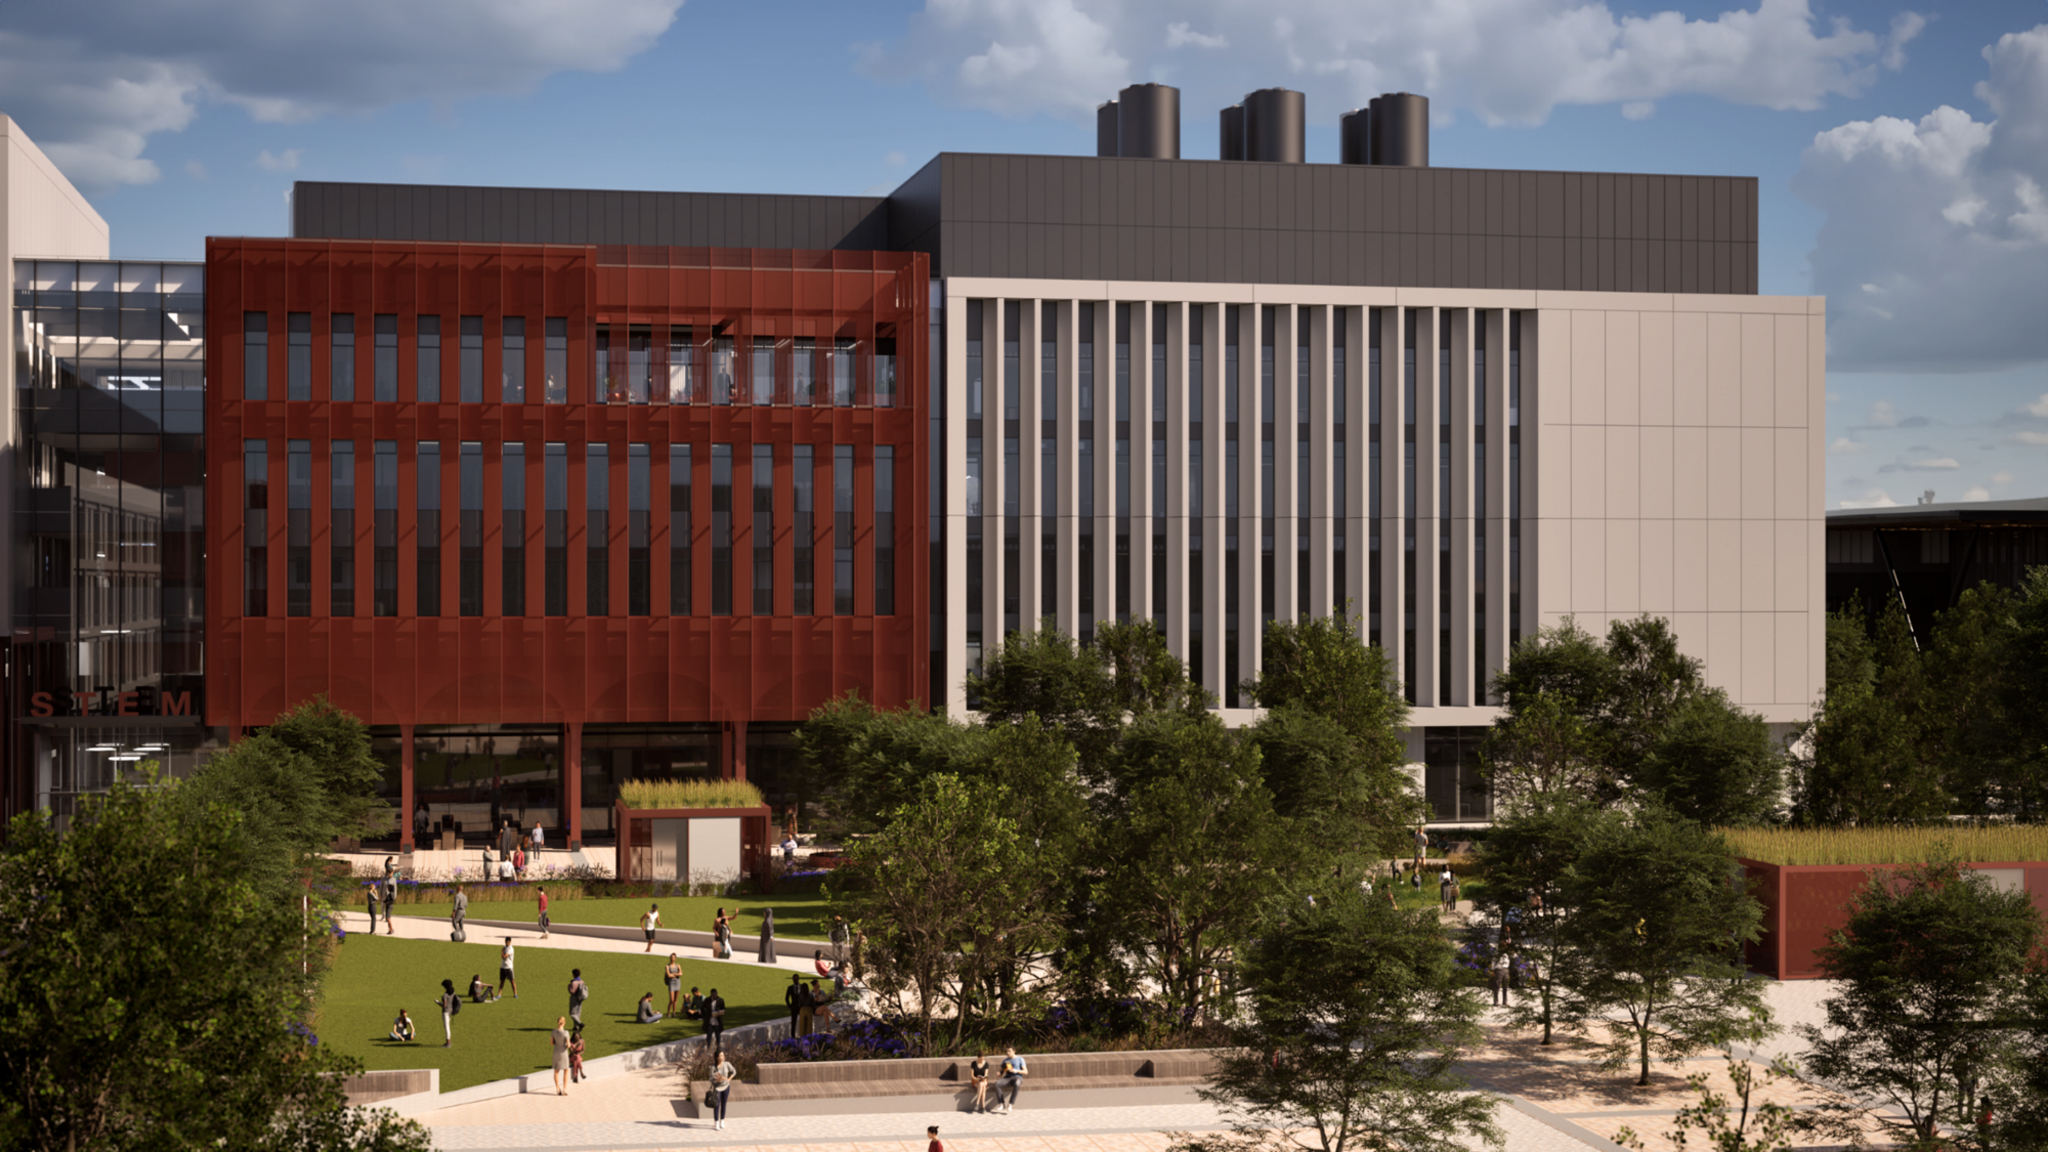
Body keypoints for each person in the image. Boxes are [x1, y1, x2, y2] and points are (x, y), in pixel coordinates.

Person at [707, 1046, 735, 1130]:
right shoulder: (713, 1067)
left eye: (723, 1055)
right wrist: (718, 1080)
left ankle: (722, 1121)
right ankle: (716, 1122)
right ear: (717, 1057)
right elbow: (710, 1078)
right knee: (716, 1105)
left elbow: (734, 1071)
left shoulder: (727, 1064)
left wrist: (728, 1079)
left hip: (726, 1087)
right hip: (717, 1088)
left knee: (724, 1104)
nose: (723, 1057)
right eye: (721, 1055)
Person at [995, 1046, 1027, 1113]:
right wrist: (999, 1073)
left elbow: (1026, 1071)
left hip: (1017, 1077)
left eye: (1009, 1051)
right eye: (1007, 1051)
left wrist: (1016, 1070)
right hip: (1008, 1078)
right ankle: (1001, 1104)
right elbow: (1001, 1072)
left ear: (1014, 1051)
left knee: (1017, 1083)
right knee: (997, 1084)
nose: (1007, 1053)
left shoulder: (1020, 1059)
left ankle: (1010, 1104)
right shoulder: (1005, 1061)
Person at [550, 1016, 572, 1095]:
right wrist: (567, 1044)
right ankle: (565, 1089)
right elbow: (569, 1045)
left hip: (556, 1051)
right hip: (563, 1052)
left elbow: (551, 1043)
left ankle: (557, 1088)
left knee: (556, 1070)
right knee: (566, 1070)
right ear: (564, 1022)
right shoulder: (566, 1032)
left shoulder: (553, 1031)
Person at [436, 979, 459, 1047]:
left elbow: (444, 1006)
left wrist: (437, 1002)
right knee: (447, 1027)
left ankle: (448, 1043)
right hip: (451, 1011)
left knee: (446, 1027)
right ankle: (448, 1042)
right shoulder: (453, 992)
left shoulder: (445, 995)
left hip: (446, 1012)